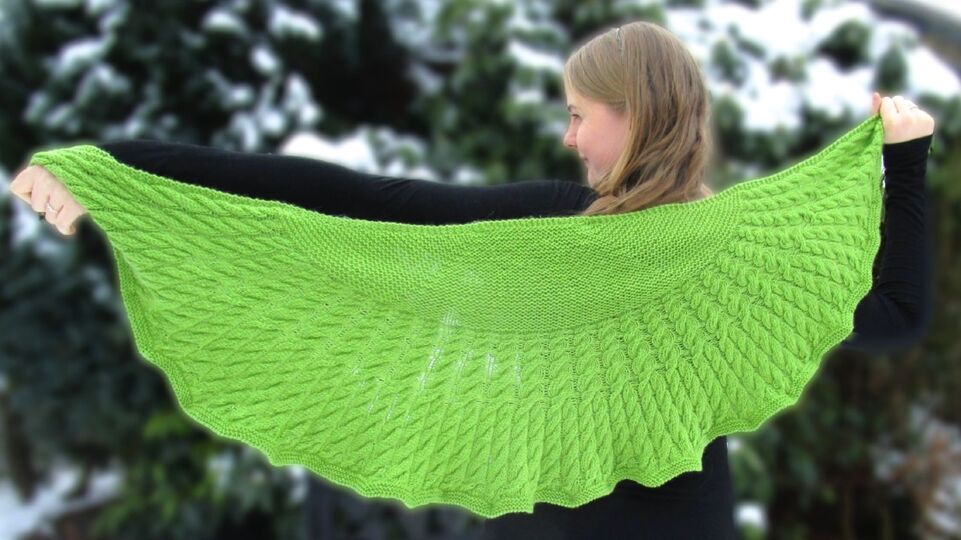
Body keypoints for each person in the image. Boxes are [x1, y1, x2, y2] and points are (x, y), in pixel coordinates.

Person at [9, 20, 935, 540]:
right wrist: (904, 162)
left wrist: (113, 166)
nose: (569, 138)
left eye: (579, 114)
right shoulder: (736, 255)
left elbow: (362, 197)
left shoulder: (562, 227)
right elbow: (896, 316)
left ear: (636, 114)